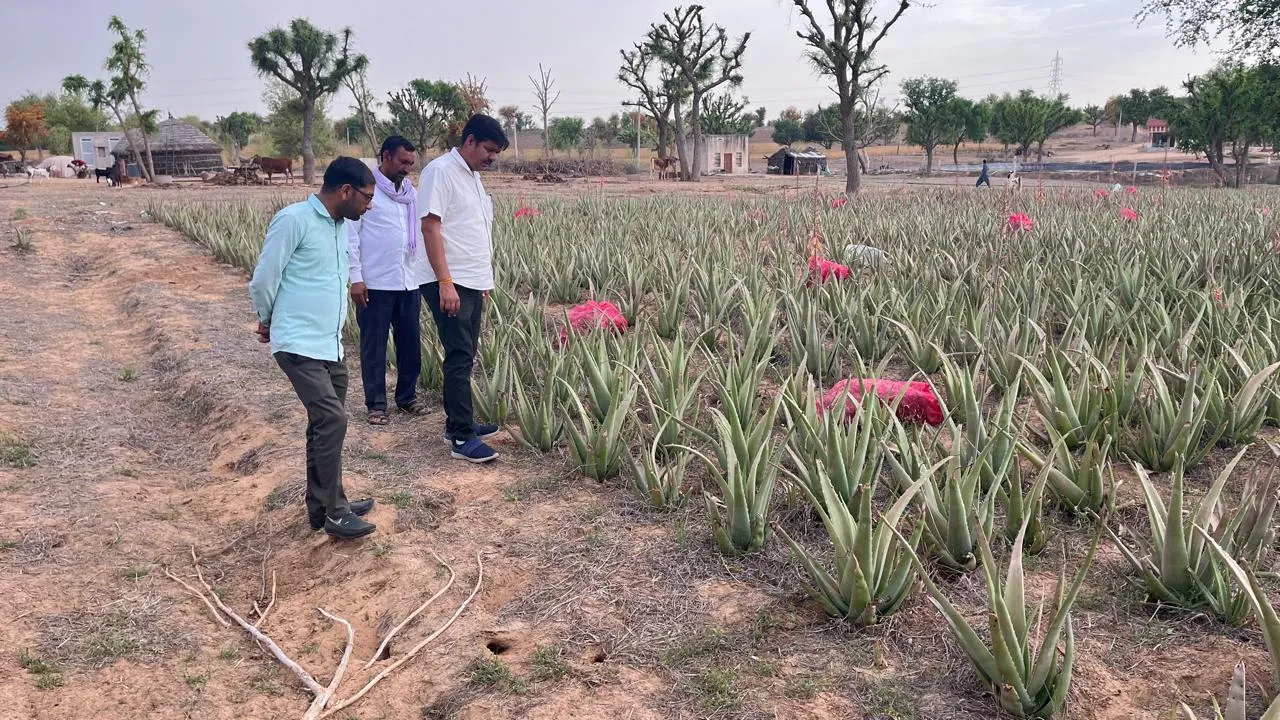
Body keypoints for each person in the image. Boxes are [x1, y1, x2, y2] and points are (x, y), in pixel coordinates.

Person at [249, 157, 378, 539]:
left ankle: (324, 506)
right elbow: (264, 276)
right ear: (345, 191)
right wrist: (267, 317)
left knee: (324, 426)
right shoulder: (294, 220)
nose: (369, 205)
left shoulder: (339, 226)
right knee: (332, 419)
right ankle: (336, 513)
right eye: (366, 198)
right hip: (299, 342)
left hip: (328, 344)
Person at [418, 114, 508, 463]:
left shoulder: (472, 176)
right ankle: (460, 438)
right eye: (488, 150)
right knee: (458, 355)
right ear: (469, 141)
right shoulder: (440, 172)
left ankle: (463, 420)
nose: (492, 158)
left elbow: (471, 230)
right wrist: (445, 282)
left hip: (470, 280)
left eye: (496, 153)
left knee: (466, 353)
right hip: (449, 280)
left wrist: (482, 280)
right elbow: (430, 228)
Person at [349, 136, 431, 426]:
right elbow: (352, 237)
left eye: (411, 163)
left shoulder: (411, 194)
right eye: (402, 162)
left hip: (409, 281)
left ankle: (407, 398)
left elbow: (420, 235)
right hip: (375, 282)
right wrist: (356, 277)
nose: (407, 168)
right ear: (385, 157)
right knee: (374, 346)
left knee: (411, 345)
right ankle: (376, 405)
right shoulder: (366, 191)